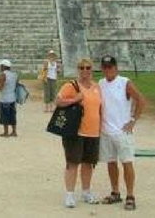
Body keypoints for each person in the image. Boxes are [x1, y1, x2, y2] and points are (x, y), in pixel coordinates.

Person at [99, 55, 146, 211]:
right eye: (105, 67)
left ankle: (130, 195)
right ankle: (115, 191)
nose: (107, 70)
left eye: (110, 67)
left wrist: (133, 120)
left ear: (116, 68)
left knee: (127, 163)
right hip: (106, 130)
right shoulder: (101, 83)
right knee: (111, 162)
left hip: (122, 131)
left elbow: (141, 100)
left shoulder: (124, 82)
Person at [55, 58, 101, 208]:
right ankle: (69, 194)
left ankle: (86, 191)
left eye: (88, 68)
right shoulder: (71, 86)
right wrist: (75, 99)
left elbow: (100, 108)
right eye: (81, 68)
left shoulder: (96, 86)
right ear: (78, 70)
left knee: (88, 164)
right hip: (76, 131)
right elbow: (59, 101)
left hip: (93, 132)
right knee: (73, 163)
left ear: (91, 70)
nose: (85, 71)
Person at [0, 59, 18, 137]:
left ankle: (6, 132)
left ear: (4, 67)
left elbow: (0, 87)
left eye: (1, 66)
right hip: (12, 98)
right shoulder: (14, 74)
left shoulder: (2, 75)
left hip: (4, 99)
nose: (0, 68)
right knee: (12, 115)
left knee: (5, 116)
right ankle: (14, 132)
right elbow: (15, 86)